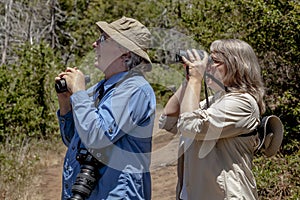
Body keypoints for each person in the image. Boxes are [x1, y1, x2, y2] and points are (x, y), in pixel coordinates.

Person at [55, 16, 156, 200]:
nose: (95, 44)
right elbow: (73, 140)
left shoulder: (135, 90)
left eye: (103, 39)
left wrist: (78, 91)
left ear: (125, 54)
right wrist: (65, 103)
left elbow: (97, 137)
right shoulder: (100, 89)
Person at [159, 39, 266, 199]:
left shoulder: (242, 103)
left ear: (235, 65)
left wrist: (196, 79)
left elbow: (191, 125)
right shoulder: (218, 100)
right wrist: (189, 79)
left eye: (214, 61)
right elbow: (169, 118)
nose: (207, 66)